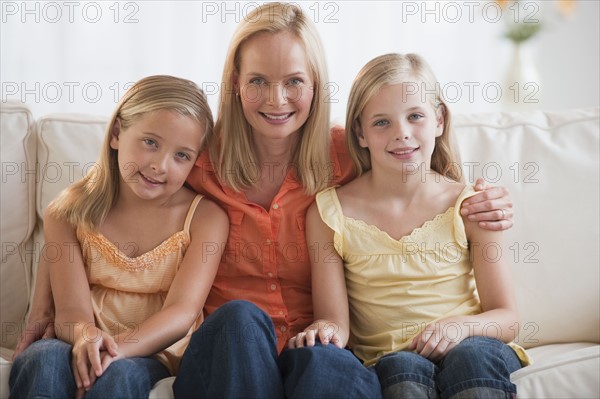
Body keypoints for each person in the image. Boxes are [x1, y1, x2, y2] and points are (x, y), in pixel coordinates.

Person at [14, 3, 515, 398]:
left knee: (330, 365)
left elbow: (414, 166)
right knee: (239, 316)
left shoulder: (347, 150)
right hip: (232, 349)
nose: (277, 100)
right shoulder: (195, 159)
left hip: (313, 343)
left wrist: (479, 197)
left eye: (294, 81)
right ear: (235, 83)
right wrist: (45, 305)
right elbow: (98, 193)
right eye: (258, 81)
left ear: (315, 86)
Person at [288, 53, 531, 398]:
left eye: (415, 116)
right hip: (389, 357)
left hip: (472, 343)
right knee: (403, 367)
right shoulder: (330, 213)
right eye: (382, 122)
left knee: (471, 356)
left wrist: (460, 327)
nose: (402, 134)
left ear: (439, 120)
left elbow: (508, 318)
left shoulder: (471, 204)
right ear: (359, 132)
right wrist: (321, 331)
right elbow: (337, 323)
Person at [9, 75, 229, 398]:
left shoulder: (206, 219)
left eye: (181, 155)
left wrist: (114, 351)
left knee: (118, 376)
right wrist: (86, 337)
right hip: (76, 339)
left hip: (149, 354)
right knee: (43, 360)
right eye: (151, 142)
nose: (159, 165)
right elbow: (71, 311)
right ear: (116, 134)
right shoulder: (67, 212)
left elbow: (182, 313)